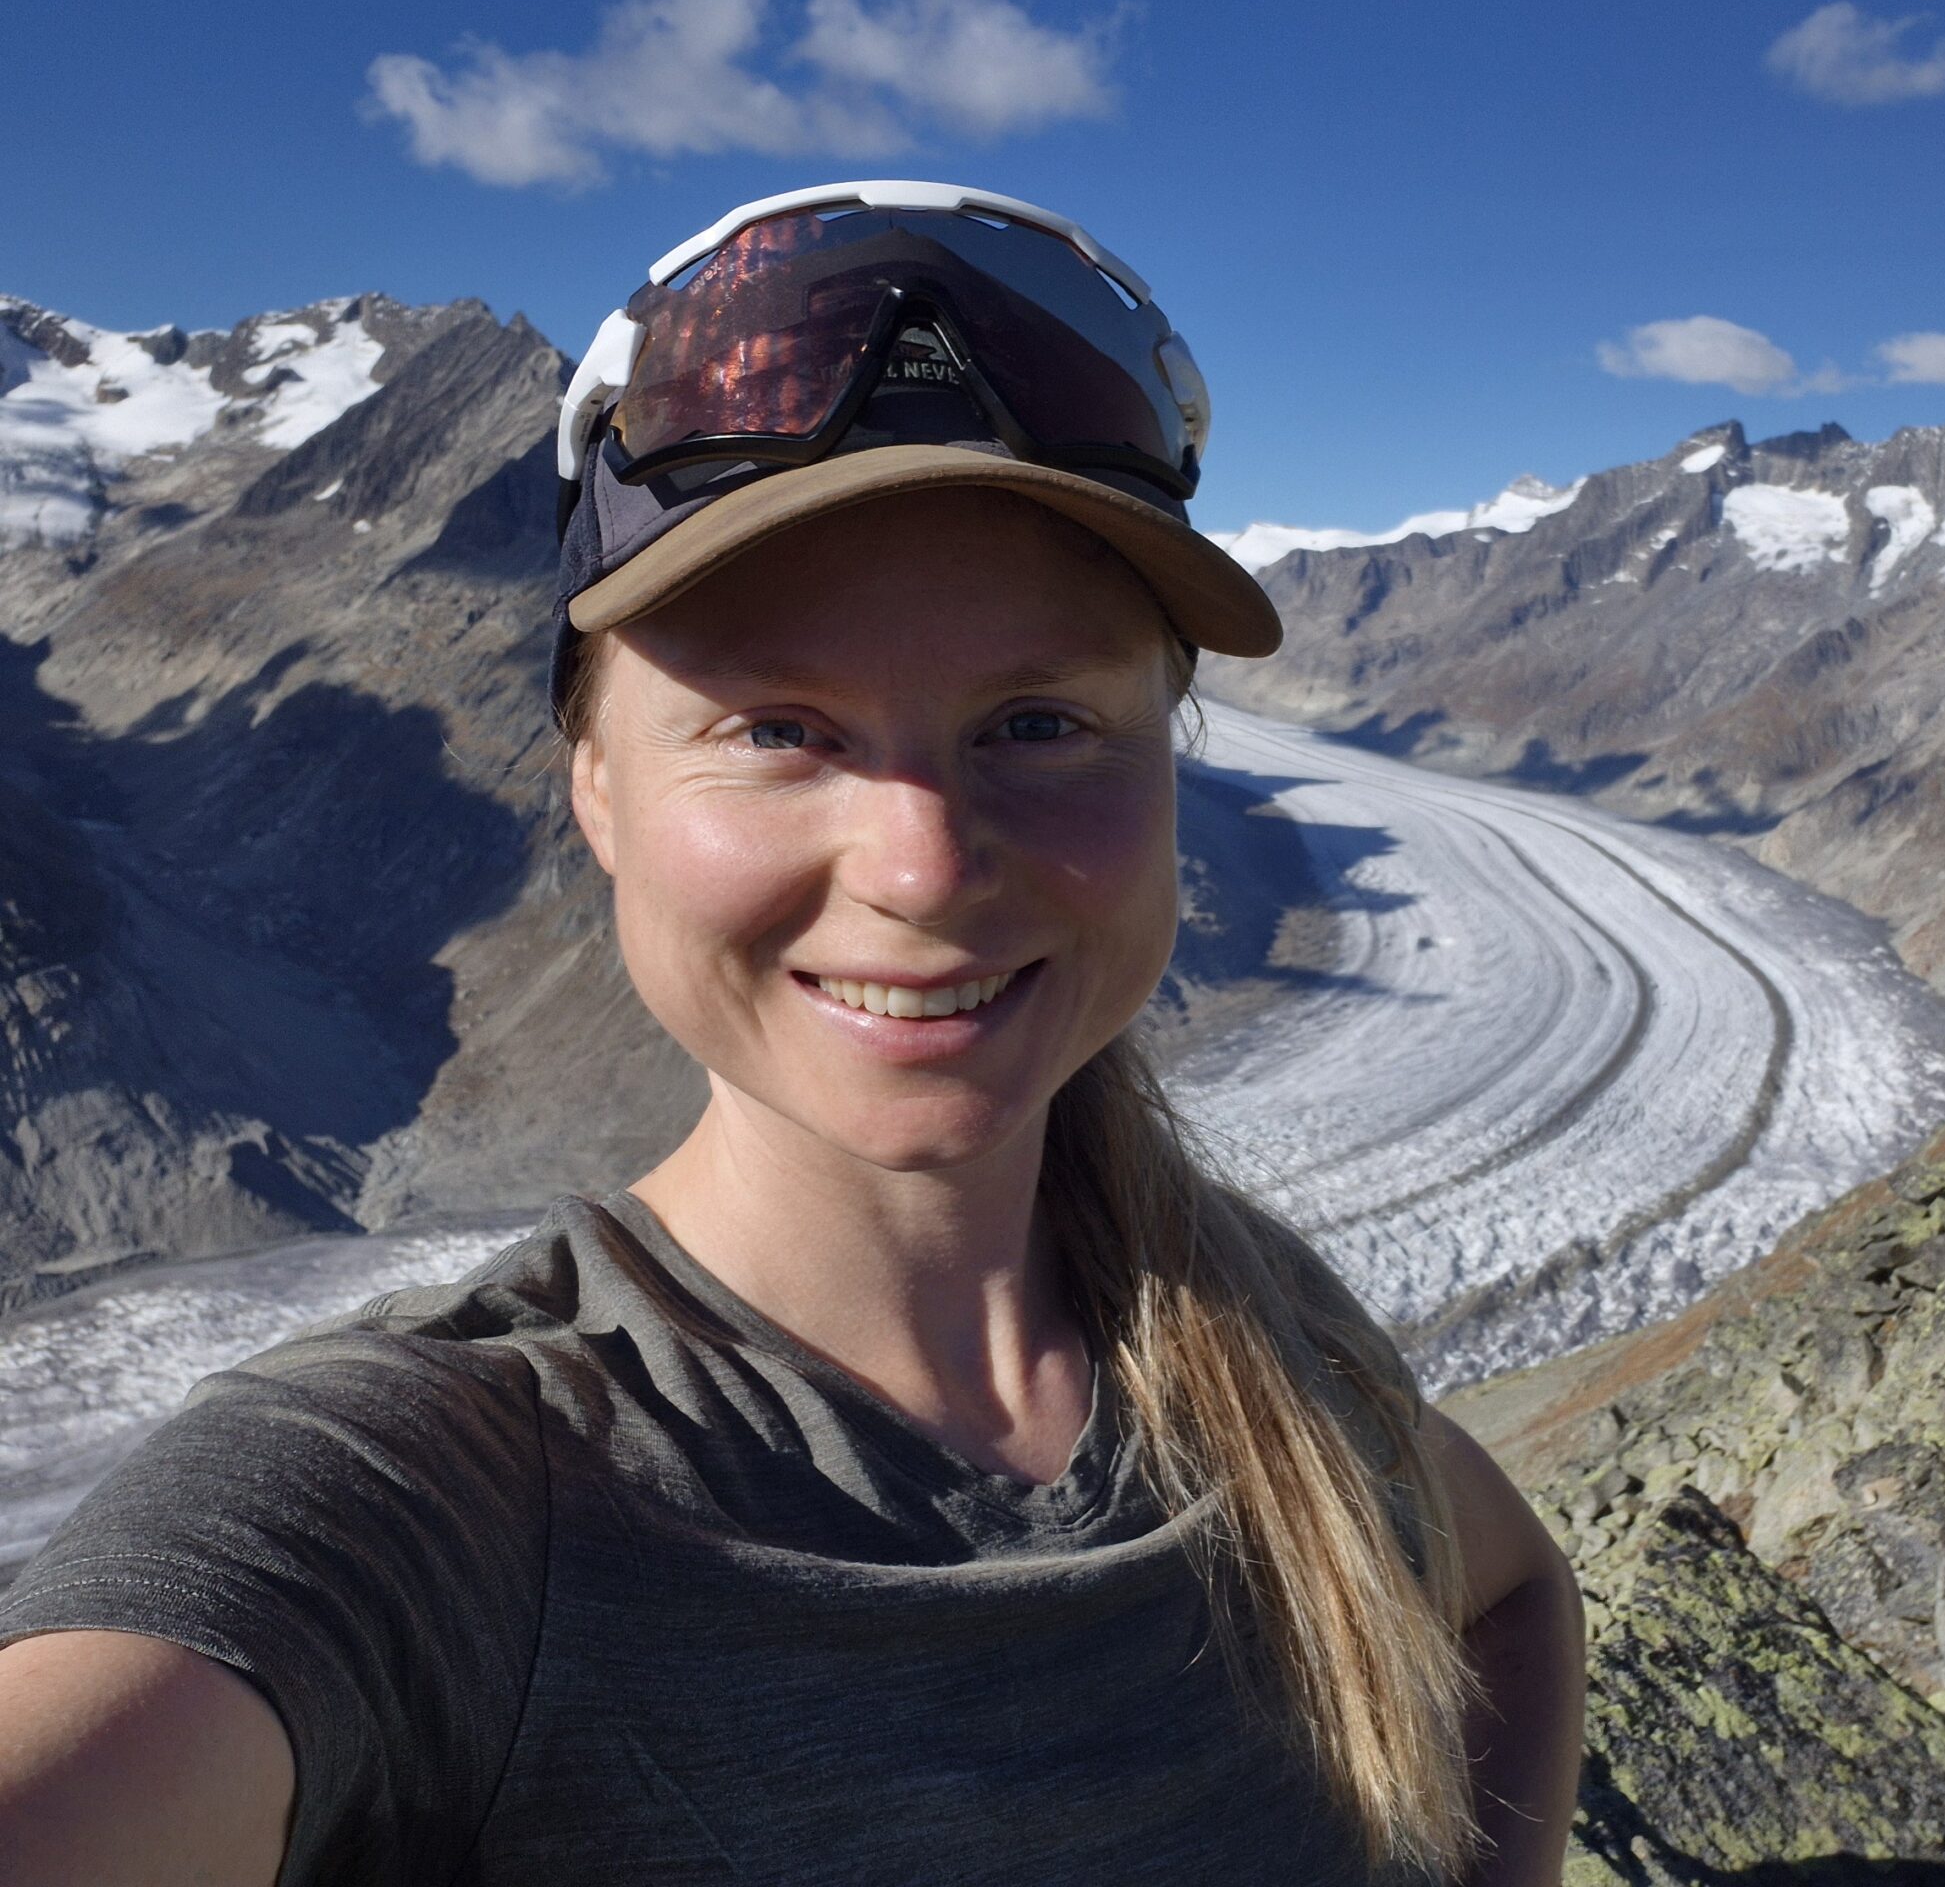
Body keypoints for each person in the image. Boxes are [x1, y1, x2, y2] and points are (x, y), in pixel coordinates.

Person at [0, 181, 1585, 1884]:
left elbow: (1512, 1596)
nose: (921, 864)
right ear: (593, 791)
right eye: (775, 729)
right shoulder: (423, 1496)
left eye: (1042, 720)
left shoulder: (1263, 1349)